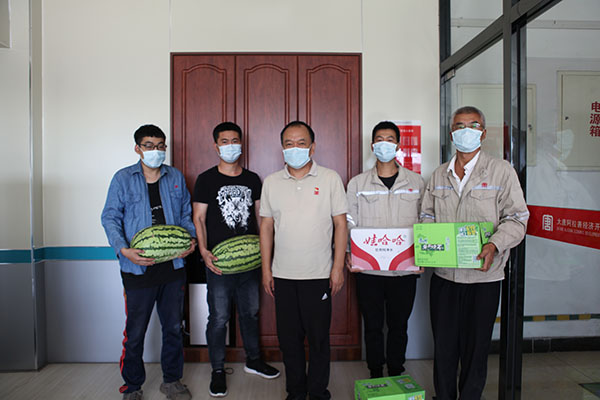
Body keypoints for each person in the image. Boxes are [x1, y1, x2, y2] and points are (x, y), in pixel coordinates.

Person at [420, 106, 529, 400]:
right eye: (459, 125)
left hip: (484, 278)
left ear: (483, 132)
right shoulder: (439, 174)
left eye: (473, 125)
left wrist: (494, 244)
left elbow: (518, 218)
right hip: (445, 277)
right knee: (444, 348)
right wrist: (426, 247)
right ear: (451, 133)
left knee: (476, 348)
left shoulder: (501, 171)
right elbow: (426, 216)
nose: (465, 130)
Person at [101, 124, 197, 400]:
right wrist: (124, 250)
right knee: (135, 332)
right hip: (137, 268)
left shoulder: (175, 176)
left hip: (173, 267)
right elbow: (110, 217)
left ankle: (172, 381)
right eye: (149, 145)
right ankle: (132, 386)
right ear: (138, 148)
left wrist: (190, 240)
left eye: (160, 146)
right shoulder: (123, 178)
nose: (156, 151)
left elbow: (185, 215)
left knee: (173, 328)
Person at [260, 121, 348, 400]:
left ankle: (318, 392)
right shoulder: (271, 182)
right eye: (289, 143)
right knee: (289, 340)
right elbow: (266, 227)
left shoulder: (330, 178)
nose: (294, 148)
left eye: (301, 143)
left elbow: (341, 224)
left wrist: (337, 268)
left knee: (319, 339)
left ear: (312, 147)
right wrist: (266, 270)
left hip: (319, 274)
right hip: (283, 275)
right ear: (282, 147)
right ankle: (296, 391)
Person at [192, 122, 280, 398]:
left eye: (235, 140)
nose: (230, 145)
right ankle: (218, 370)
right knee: (219, 318)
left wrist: (266, 255)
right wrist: (204, 252)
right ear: (216, 146)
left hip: (251, 262)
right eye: (225, 141)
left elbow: (262, 219)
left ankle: (253, 360)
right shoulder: (206, 179)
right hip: (218, 261)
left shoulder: (253, 179)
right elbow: (199, 218)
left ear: (241, 144)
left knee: (250, 313)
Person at [345, 121, 425, 379]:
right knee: (372, 326)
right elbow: (348, 221)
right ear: (372, 145)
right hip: (369, 270)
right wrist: (348, 253)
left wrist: (425, 254)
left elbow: (426, 220)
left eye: (390, 139)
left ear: (398, 145)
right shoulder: (357, 183)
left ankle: (396, 372)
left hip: (405, 269)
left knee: (399, 325)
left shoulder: (416, 182)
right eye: (380, 139)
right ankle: (376, 373)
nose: (384, 144)